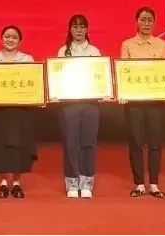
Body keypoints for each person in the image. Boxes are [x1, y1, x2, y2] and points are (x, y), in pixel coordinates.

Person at [121, 6, 165, 199]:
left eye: (150, 20)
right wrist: (123, 91)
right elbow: (123, 72)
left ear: (154, 23)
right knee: (136, 142)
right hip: (134, 102)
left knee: (155, 143)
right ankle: (140, 183)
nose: (146, 23)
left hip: (155, 102)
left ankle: (154, 184)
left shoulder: (161, 45)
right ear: (137, 22)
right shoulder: (127, 44)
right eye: (143, 19)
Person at [0, 25, 38, 199]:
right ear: (1, 39)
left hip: (20, 110)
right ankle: (2, 182)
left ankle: (16, 183)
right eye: (7, 36)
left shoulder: (27, 59)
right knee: (0, 146)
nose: (10, 39)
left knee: (18, 146)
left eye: (14, 37)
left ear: (20, 41)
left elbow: (34, 83)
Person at [56, 14, 102, 199]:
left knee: (88, 143)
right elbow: (58, 77)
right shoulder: (63, 51)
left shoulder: (94, 52)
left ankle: (87, 183)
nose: (79, 30)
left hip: (91, 104)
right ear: (70, 29)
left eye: (82, 26)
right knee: (70, 143)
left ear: (87, 29)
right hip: (69, 104)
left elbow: (100, 78)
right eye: (75, 26)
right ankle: (72, 183)